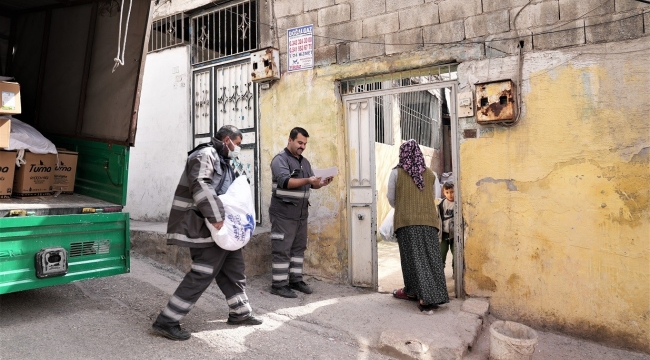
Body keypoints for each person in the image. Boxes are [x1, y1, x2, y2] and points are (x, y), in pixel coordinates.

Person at [152, 125, 263, 341]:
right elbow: (200, 184)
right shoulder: (205, 154)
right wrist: (216, 216)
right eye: (237, 144)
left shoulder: (227, 161)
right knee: (203, 272)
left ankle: (240, 312)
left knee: (234, 268)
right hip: (205, 225)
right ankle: (167, 321)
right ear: (227, 140)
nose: (238, 149)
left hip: (221, 229)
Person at [269, 127, 333, 298]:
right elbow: (285, 182)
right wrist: (308, 179)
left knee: (298, 249)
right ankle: (279, 285)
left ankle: (295, 280)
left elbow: (312, 184)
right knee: (282, 249)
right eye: (299, 142)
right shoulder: (279, 160)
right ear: (289, 140)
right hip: (283, 214)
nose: (302, 146)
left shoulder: (305, 162)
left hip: (300, 215)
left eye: (305, 143)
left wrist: (322, 183)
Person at [387, 139, 449, 312]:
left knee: (411, 259)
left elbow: (391, 198)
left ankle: (423, 297)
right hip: (429, 221)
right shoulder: (430, 174)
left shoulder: (396, 173)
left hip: (406, 222)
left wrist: (405, 206)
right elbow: (435, 197)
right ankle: (419, 292)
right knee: (430, 258)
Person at [439, 181, 455, 272]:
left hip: (455, 234)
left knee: (457, 255)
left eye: (452, 192)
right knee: (441, 254)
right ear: (444, 192)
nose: (450, 195)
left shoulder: (459, 203)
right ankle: (440, 275)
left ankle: (456, 273)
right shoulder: (441, 204)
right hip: (444, 234)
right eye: (447, 192)